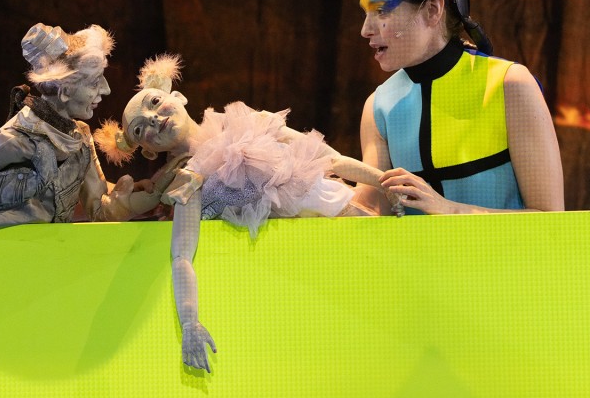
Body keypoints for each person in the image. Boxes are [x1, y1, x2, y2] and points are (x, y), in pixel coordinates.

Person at [94, 54, 401, 372]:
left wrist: (386, 183)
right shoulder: (187, 180)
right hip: (304, 266)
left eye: (155, 102)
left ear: (178, 96)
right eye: (140, 129)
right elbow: (182, 254)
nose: (153, 118)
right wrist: (189, 323)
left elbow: (330, 159)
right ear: (148, 151)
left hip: (350, 219)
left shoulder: (248, 123)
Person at [351, 0, 565, 215]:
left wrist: (448, 210)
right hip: (415, 253)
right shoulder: (378, 107)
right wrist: (304, 191)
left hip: (501, 252)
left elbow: (550, 220)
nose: (366, 30)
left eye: (381, 11)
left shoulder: (509, 86)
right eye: (365, 14)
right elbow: (369, 218)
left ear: (432, 10)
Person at [0, 23, 177, 231]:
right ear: (64, 91)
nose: (106, 89)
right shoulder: (19, 138)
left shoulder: (80, 138)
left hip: (53, 257)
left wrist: (137, 201)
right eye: (95, 82)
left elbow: (98, 210)